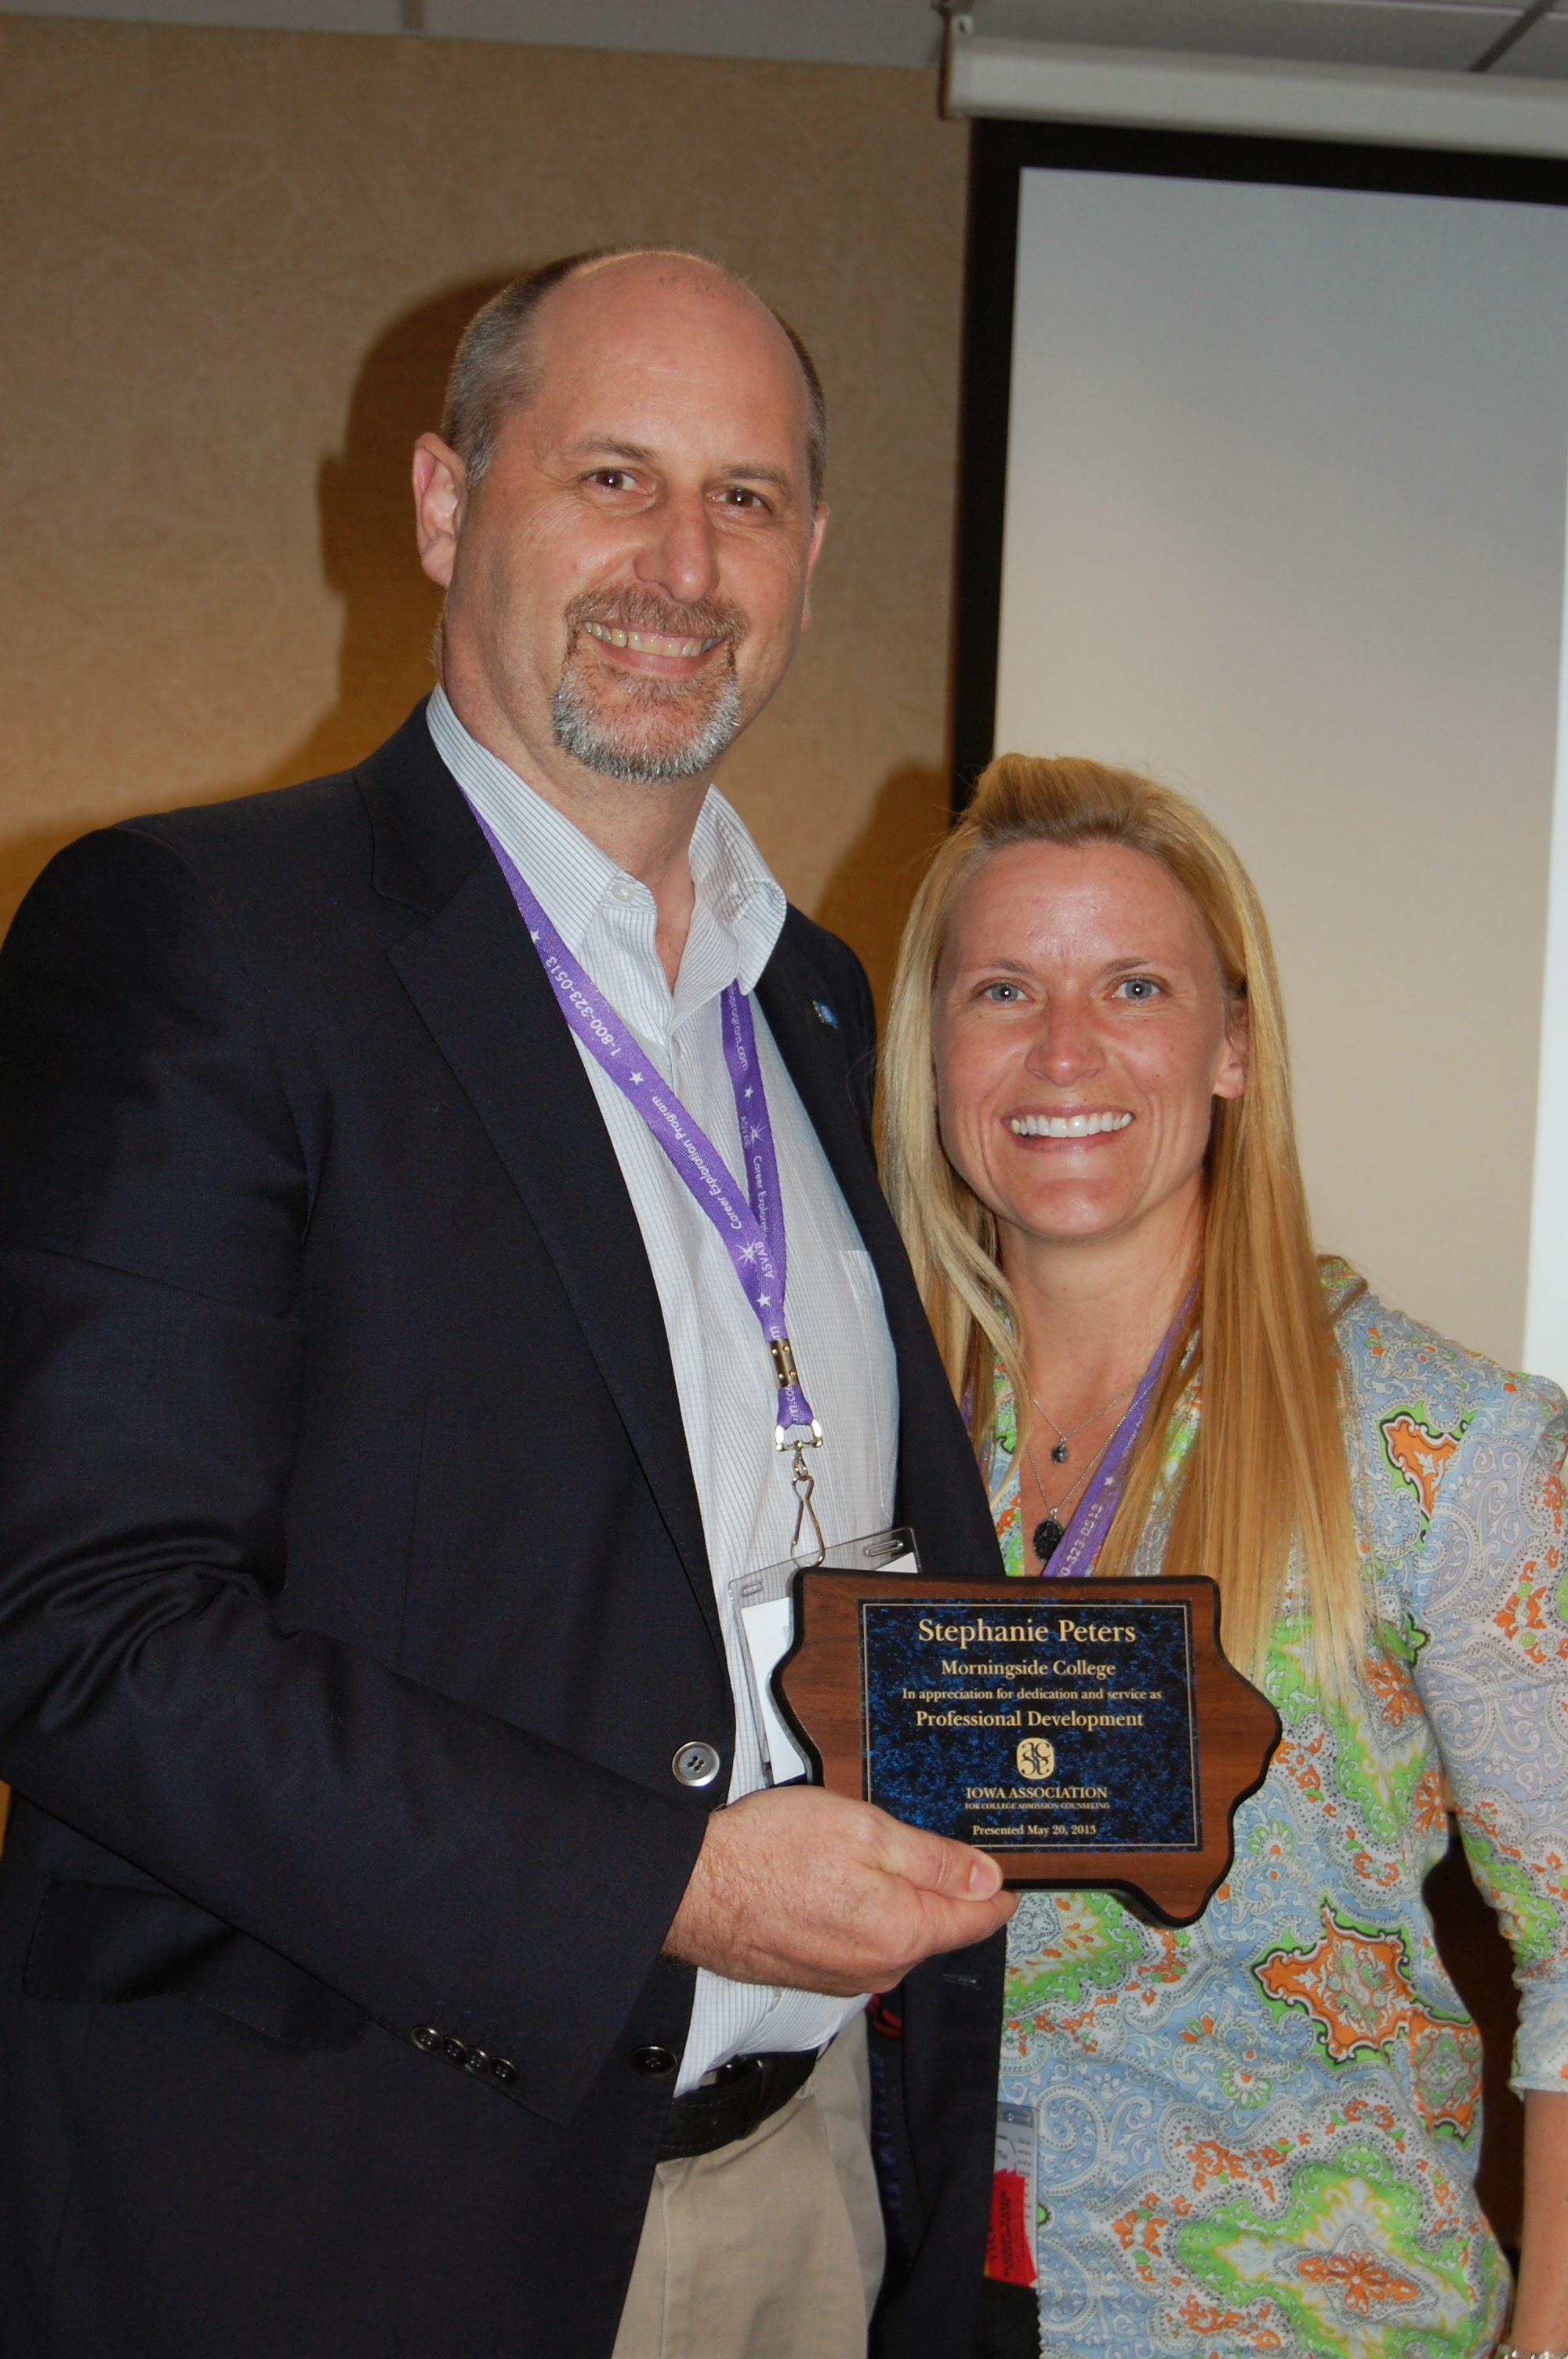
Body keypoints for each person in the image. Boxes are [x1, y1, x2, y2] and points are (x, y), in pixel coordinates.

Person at [0, 249, 1016, 2359]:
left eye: (746, 498)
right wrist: (666, 1880)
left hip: (809, 2182)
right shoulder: (202, 939)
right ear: (451, 505)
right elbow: (80, 1628)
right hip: (350, 2216)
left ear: (812, 556)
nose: (682, 560)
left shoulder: (819, 1003)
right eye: (614, 477)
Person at [880, 751, 1568, 2358]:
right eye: (999, 989)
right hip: (900, 2294)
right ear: (932, 1052)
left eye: (1133, 984)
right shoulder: (864, 1439)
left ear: (1234, 1046)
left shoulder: (1441, 1448)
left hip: (1294, 2315)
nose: (1063, 1048)